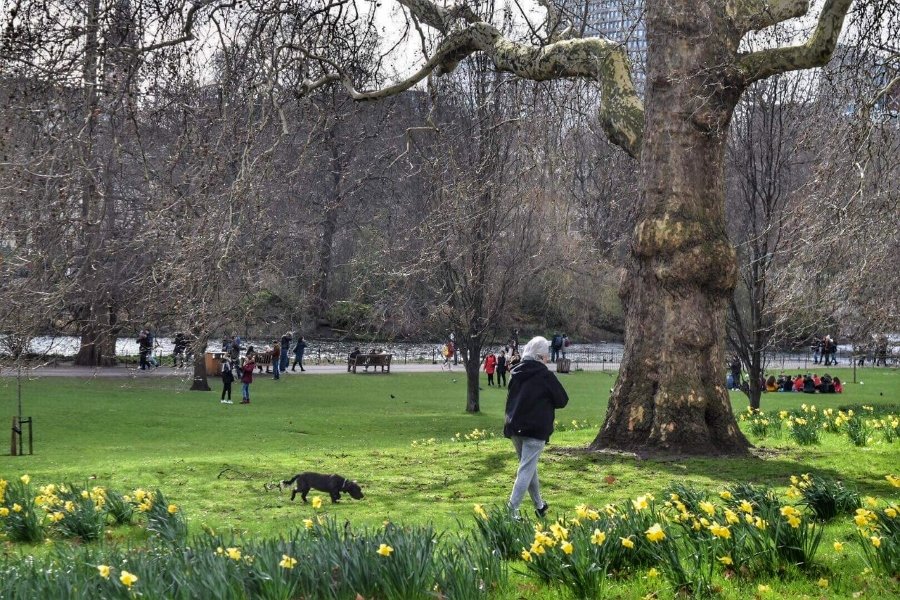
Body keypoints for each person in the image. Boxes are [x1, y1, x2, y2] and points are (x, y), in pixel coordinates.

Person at [503, 336, 569, 519]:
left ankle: (539, 505)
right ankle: (511, 510)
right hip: (535, 428)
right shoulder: (545, 376)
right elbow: (562, 400)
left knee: (528, 467)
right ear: (540, 357)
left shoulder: (515, 372)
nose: (548, 359)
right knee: (526, 469)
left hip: (515, 425)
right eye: (547, 356)